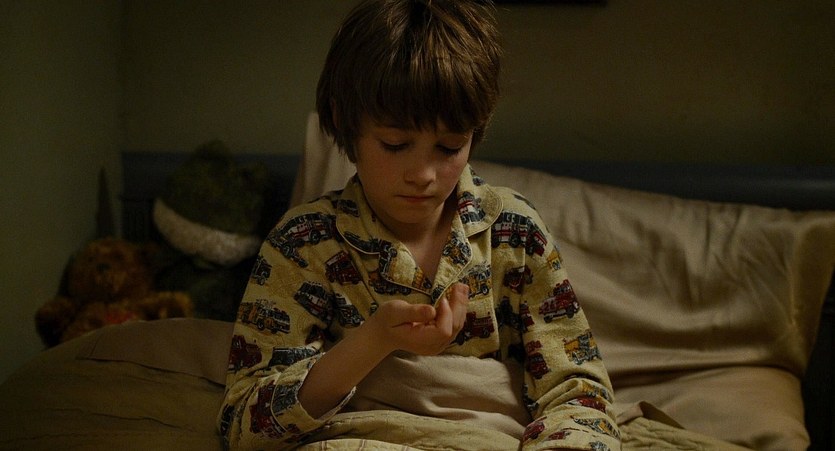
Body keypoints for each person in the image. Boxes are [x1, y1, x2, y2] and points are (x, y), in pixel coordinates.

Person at [219, 1, 620, 449]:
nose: (423, 175)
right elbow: (244, 427)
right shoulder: (304, 241)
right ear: (345, 122)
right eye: (395, 144)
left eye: (449, 147)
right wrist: (372, 342)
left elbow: (580, 396)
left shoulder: (515, 233)